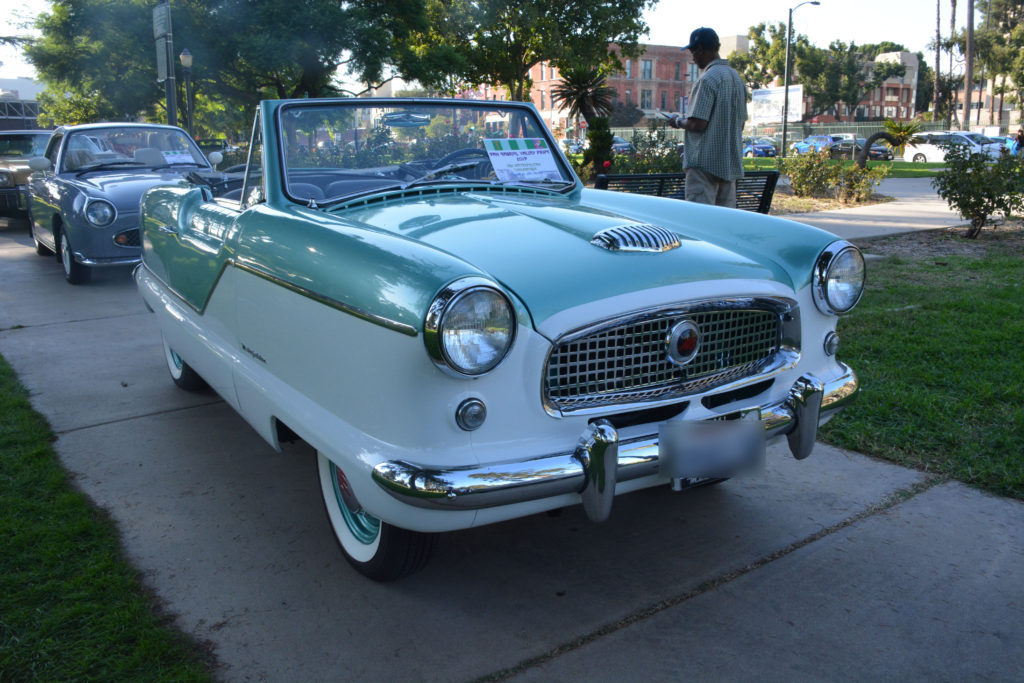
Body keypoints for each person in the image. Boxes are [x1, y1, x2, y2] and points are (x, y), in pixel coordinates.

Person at [667, 27, 748, 207]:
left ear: (700, 49)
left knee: (700, 222)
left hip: (704, 166)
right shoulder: (737, 79)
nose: (693, 57)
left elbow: (698, 123)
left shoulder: (707, 80)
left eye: (693, 51)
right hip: (729, 164)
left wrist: (678, 121)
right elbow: (741, 123)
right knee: (724, 225)